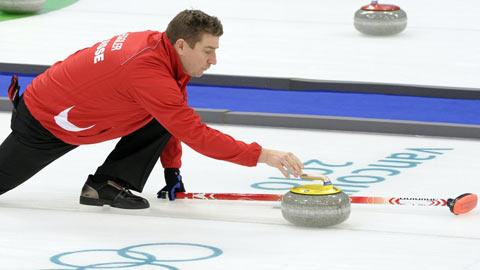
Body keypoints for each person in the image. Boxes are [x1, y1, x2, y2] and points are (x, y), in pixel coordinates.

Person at [0, 9, 304, 209]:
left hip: (75, 108)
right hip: (44, 121)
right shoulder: (148, 72)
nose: (213, 61)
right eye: (208, 52)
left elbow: (173, 117)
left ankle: (105, 185)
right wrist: (264, 155)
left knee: (166, 115)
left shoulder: (160, 48)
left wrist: (172, 170)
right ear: (183, 45)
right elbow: (195, 134)